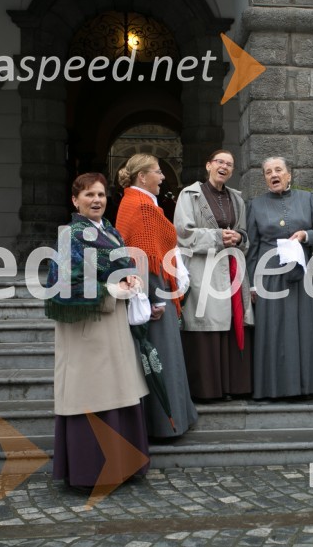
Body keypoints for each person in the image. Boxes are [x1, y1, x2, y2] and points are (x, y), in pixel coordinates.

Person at [44, 172, 149, 491]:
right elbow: (60, 287)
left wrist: (132, 280)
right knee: (93, 396)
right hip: (86, 332)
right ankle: (90, 471)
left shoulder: (113, 233)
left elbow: (120, 269)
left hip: (113, 328)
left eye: (101, 194)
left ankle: (123, 465)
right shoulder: (71, 236)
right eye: (89, 194)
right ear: (75, 200)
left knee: (117, 395)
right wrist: (110, 288)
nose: (96, 200)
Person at [115, 153, 198, 438]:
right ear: (142, 176)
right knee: (161, 359)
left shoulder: (132, 202)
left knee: (153, 360)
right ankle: (165, 425)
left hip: (146, 293)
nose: (163, 177)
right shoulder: (142, 208)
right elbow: (146, 258)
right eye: (158, 172)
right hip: (153, 296)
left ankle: (162, 421)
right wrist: (156, 298)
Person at [246, 156, 313, 399]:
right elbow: (252, 248)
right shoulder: (256, 204)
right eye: (268, 172)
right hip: (269, 276)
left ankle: (306, 385)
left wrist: (306, 234)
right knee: (274, 329)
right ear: (264, 178)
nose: (274, 175)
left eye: (278, 170)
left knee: (303, 327)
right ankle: (274, 387)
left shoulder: (308, 199)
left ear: (289, 174)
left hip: (302, 275)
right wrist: (252, 283)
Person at [174, 150, 254, 401]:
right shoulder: (190, 195)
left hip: (232, 269)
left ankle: (233, 386)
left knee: (232, 322)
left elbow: (243, 233)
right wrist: (219, 237)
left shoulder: (237, 199)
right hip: (203, 269)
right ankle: (208, 390)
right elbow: (182, 234)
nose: (224, 167)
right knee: (207, 322)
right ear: (208, 165)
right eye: (219, 162)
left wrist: (239, 237)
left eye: (229, 164)